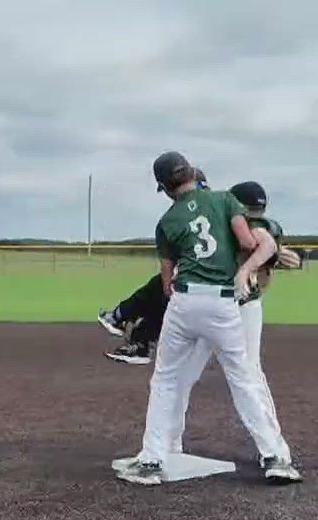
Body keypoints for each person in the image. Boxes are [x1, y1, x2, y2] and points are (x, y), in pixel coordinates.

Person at [115, 152, 300, 486]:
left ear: (165, 187)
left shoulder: (167, 221)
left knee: (166, 379)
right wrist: (247, 267)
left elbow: (167, 281)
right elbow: (247, 242)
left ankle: (152, 460)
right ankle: (276, 456)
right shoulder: (225, 201)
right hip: (225, 304)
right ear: (192, 173)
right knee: (243, 378)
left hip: (186, 302)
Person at [98, 177, 300, 365]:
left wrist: (254, 266)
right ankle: (131, 329)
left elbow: (267, 247)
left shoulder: (253, 227)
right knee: (164, 295)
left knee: (239, 367)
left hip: (226, 301)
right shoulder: (239, 224)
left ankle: (127, 325)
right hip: (222, 300)